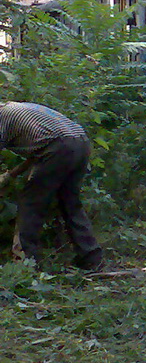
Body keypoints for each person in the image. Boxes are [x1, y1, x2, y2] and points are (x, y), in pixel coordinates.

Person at [0, 102, 103, 269]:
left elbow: (50, 146)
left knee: (31, 204)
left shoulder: (2, 117)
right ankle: (91, 257)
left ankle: (26, 263)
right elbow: (39, 149)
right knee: (70, 203)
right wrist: (9, 176)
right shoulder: (18, 109)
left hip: (59, 145)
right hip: (80, 141)